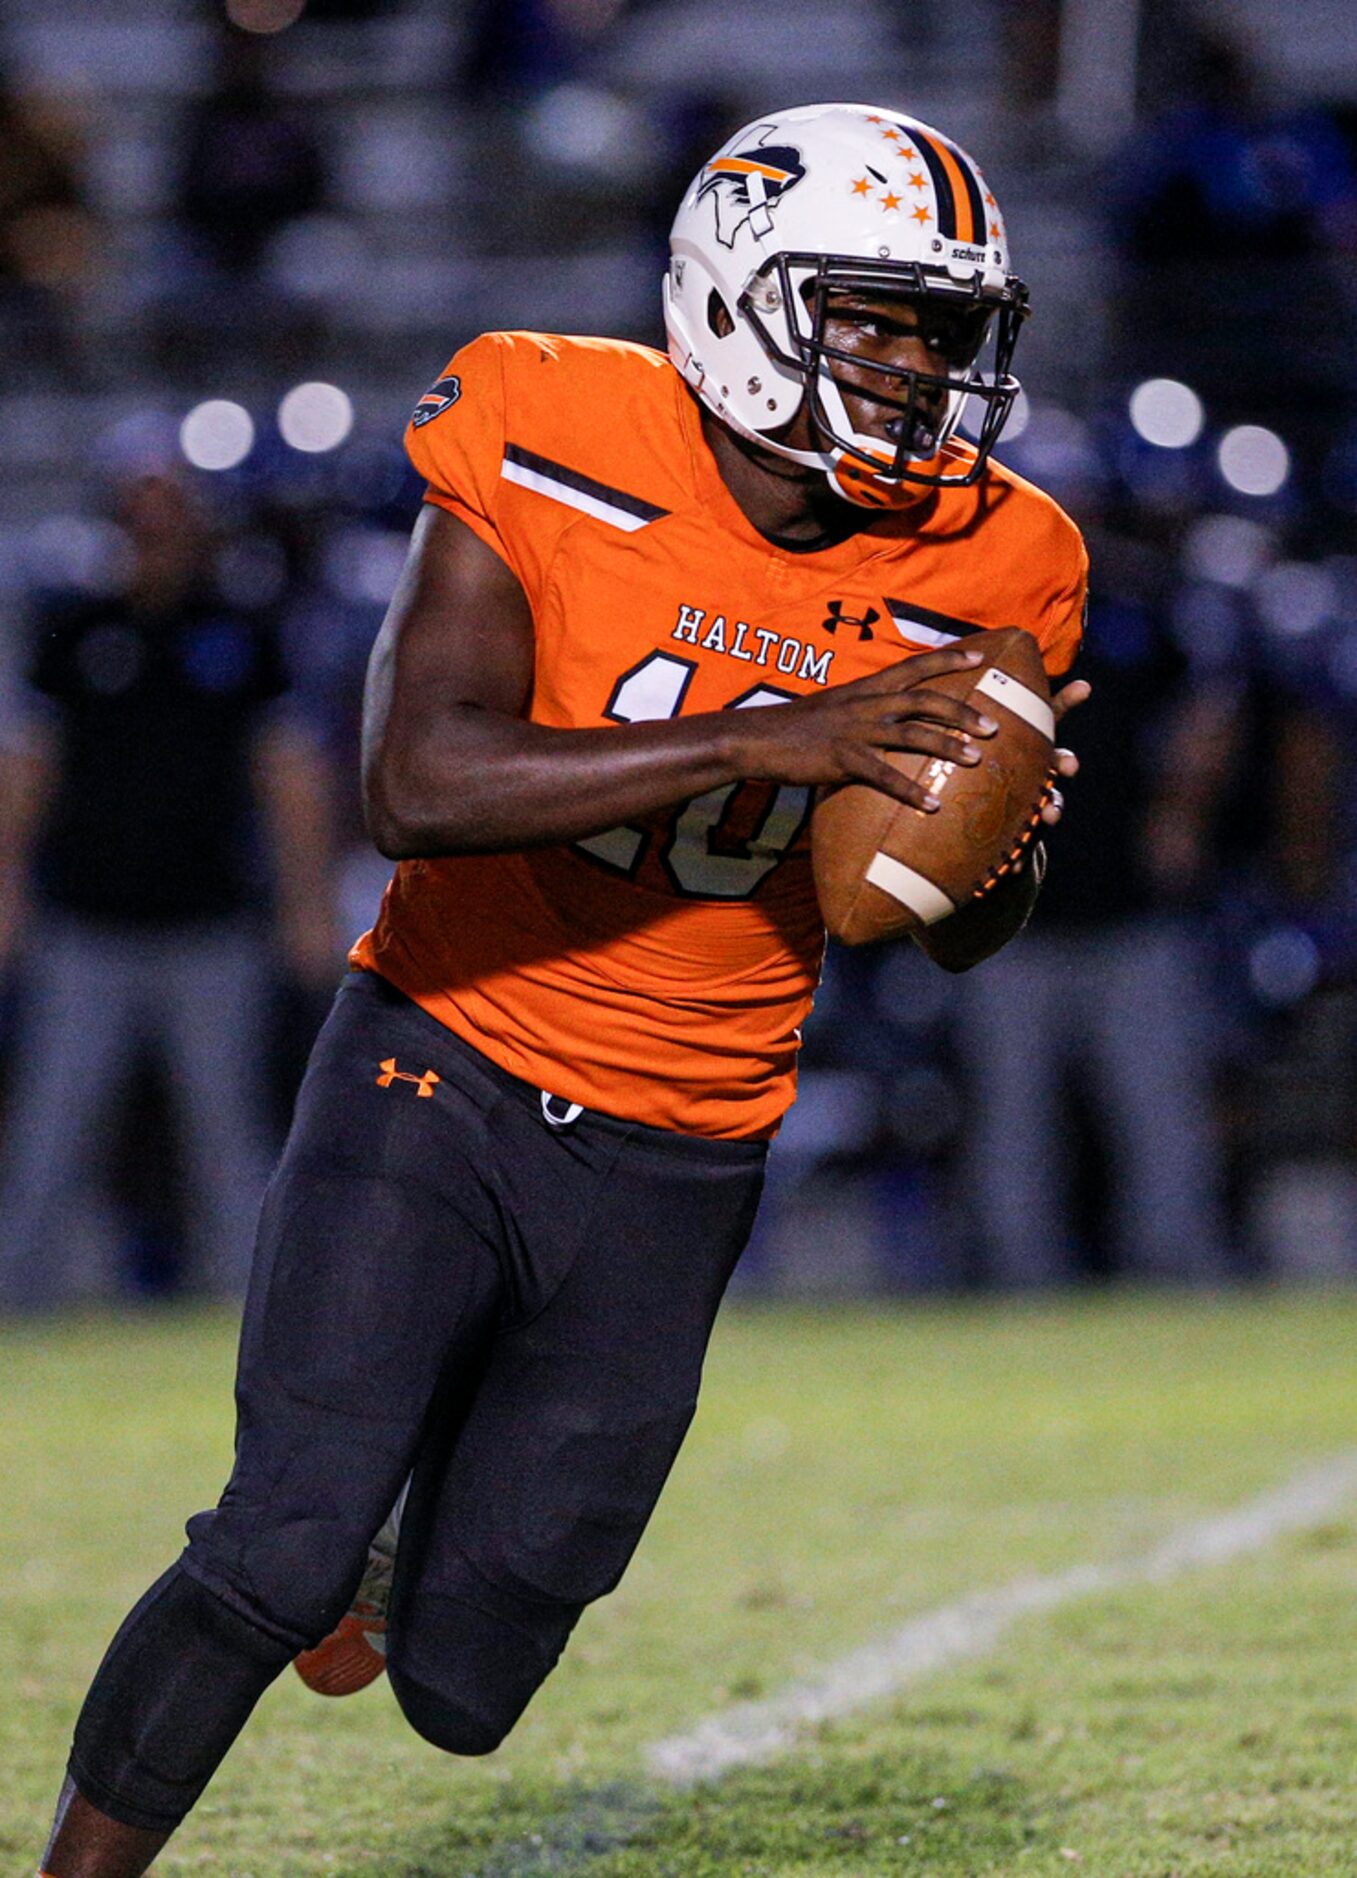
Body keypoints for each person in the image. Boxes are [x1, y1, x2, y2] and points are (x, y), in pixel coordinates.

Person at [37, 103, 1089, 1874]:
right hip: (441, 1061)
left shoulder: (1006, 558)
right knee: (273, 1550)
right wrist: (783, 731)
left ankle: (414, 1486)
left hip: (687, 1140)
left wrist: (985, 847)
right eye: (878, 319)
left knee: (459, 1680)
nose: (919, 371)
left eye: (943, 332)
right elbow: (417, 785)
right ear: (742, 300)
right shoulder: (552, 421)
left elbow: (944, 920)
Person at [0, 471, 337, 1310]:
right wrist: (7, 884)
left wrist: (305, 901)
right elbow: (28, 769)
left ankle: (256, 1309)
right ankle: (22, 1302)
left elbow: (286, 771)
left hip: (211, 923)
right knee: (54, 1128)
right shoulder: (76, 629)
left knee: (227, 1131)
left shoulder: (239, 629)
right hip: (88, 921)